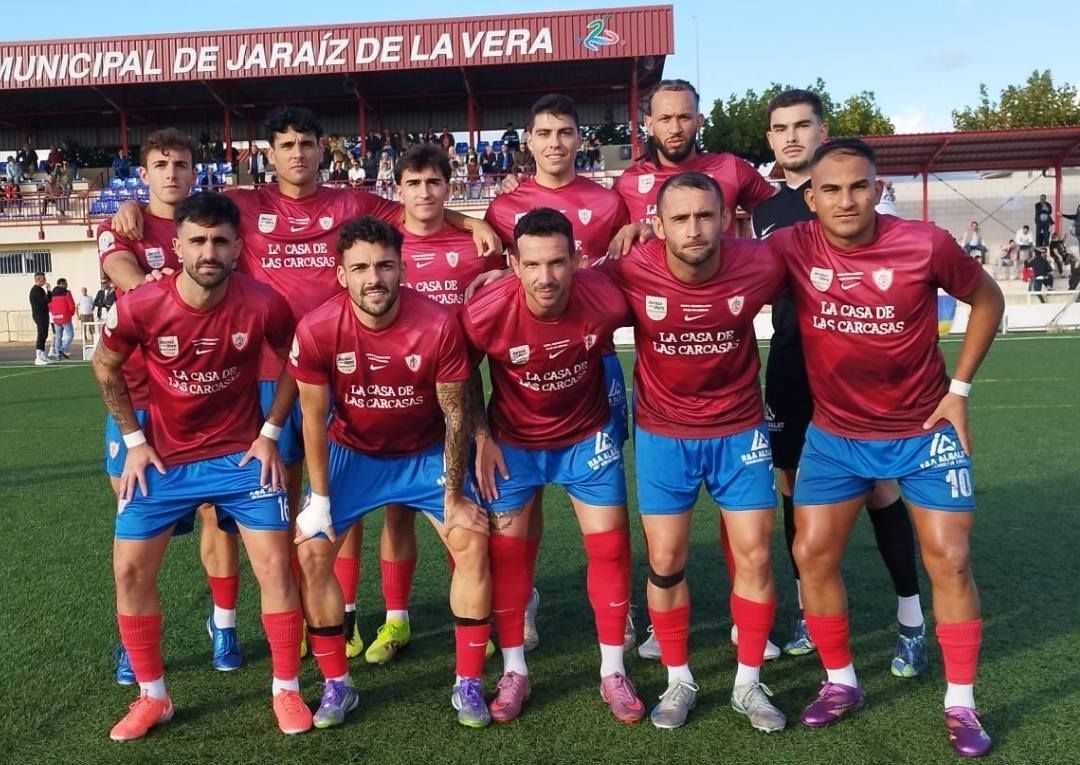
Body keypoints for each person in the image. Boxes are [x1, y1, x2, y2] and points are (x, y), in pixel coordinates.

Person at [112, 107, 500, 665]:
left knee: (345, 497)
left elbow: (422, 210)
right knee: (283, 502)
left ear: (324, 149)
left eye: (308, 143)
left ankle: (346, 618)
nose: (298, 153)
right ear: (270, 153)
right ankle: (296, 620)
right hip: (271, 378)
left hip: (349, 365)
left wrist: (470, 222)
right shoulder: (247, 204)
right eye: (287, 144)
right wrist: (131, 207)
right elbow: (185, 219)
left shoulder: (353, 201)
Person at [766, 138, 1004, 758]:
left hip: (924, 433)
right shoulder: (790, 245)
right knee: (811, 552)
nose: (847, 200)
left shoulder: (925, 244)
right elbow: (718, 263)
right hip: (836, 436)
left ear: (879, 188)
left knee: (950, 558)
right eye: (833, 189)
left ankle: (961, 703)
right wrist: (640, 239)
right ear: (810, 198)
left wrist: (959, 390)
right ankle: (841, 681)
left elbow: (987, 298)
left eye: (860, 186)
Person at [92, 191, 311, 740]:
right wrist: (134, 439)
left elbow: (297, 362)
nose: (208, 250)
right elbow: (104, 364)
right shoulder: (143, 304)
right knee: (129, 571)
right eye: (197, 240)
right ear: (179, 246)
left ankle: (285, 689)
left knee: (276, 568)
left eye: (219, 240)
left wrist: (270, 431)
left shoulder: (264, 303)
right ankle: (154, 697)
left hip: (239, 458)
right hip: (163, 460)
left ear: (238, 246)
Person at [290, 215, 493, 729]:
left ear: (402, 268)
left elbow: (455, 412)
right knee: (312, 553)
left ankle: (468, 681)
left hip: (424, 451)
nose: (373, 277)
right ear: (341, 275)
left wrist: (454, 492)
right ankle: (338, 684)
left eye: (384, 265)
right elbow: (313, 416)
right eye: (359, 267)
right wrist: (318, 499)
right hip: (352, 452)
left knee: (471, 537)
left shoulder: (439, 324)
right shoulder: (317, 327)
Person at [602, 172, 786, 731]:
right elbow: (562, 290)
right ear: (657, 226)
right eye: (679, 218)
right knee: (665, 562)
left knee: (754, 555)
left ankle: (749, 684)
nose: (694, 228)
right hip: (664, 434)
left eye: (705, 216)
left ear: (726, 218)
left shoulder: (760, 263)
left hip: (740, 430)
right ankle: (678, 678)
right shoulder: (630, 267)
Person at [752, 89, 927, 671]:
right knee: (790, 485)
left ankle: (910, 615)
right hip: (790, 367)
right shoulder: (766, 212)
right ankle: (808, 609)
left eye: (803, 125)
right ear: (771, 139)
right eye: (780, 129)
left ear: (823, 131)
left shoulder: (860, 198)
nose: (792, 137)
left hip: (859, 371)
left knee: (881, 487)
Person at [462, 208, 644, 725]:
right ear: (513, 263)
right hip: (512, 445)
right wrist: (481, 438)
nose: (547, 277)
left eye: (559, 263)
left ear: (578, 259)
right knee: (509, 559)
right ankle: (515, 669)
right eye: (534, 264)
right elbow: (458, 375)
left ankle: (612, 670)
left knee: (610, 547)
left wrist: (643, 227)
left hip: (586, 439)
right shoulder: (484, 312)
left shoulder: (606, 296)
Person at [483, 93, 635, 650]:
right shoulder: (504, 208)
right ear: (529, 140)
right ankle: (522, 599)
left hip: (593, 360)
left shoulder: (608, 201)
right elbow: (495, 277)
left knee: (599, 484)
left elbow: (627, 259)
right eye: (544, 133)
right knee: (526, 493)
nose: (555, 143)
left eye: (565, 132)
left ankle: (622, 603)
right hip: (529, 365)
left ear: (579, 139)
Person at [101, 128, 249, 684]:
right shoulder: (120, 223)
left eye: (181, 163)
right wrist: (163, 289)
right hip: (138, 399)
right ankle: (130, 644)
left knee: (218, 513)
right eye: (160, 163)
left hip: (208, 395)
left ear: (195, 171)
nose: (170, 172)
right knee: (135, 524)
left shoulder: (214, 223)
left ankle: (225, 625)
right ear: (143, 173)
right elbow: (124, 274)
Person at [366, 144, 494, 665]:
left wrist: (472, 225)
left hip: (459, 393)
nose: (425, 192)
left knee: (459, 504)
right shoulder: (385, 243)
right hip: (397, 397)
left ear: (450, 186)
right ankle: (396, 621)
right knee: (397, 514)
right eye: (414, 182)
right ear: (398, 190)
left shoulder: (477, 248)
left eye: (434, 182)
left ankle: (472, 617)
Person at [614, 79, 775, 232]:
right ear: (649, 125)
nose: (675, 128)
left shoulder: (731, 168)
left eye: (684, 117)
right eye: (665, 119)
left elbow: (782, 214)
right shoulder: (628, 182)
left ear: (699, 121)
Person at [47, 277, 76, 360]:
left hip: (56, 317)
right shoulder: (67, 293)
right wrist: (71, 313)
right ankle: (62, 349)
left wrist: (54, 313)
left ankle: (57, 354)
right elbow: (71, 305)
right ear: (62, 284)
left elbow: (48, 305)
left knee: (58, 336)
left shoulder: (52, 294)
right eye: (66, 283)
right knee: (70, 335)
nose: (67, 285)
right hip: (65, 316)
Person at [29, 272, 51, 366]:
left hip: (44, 314)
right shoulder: (35, 291)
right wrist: (46, 297)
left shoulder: (41, 290)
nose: (45, 280)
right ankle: (38, 357)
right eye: (43, 279)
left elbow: (49, 300)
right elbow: (43, 301)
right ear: (38, 279)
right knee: (41, 334)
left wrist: (49, 290)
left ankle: (42, 355)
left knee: (44, 334)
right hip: (39, 315)